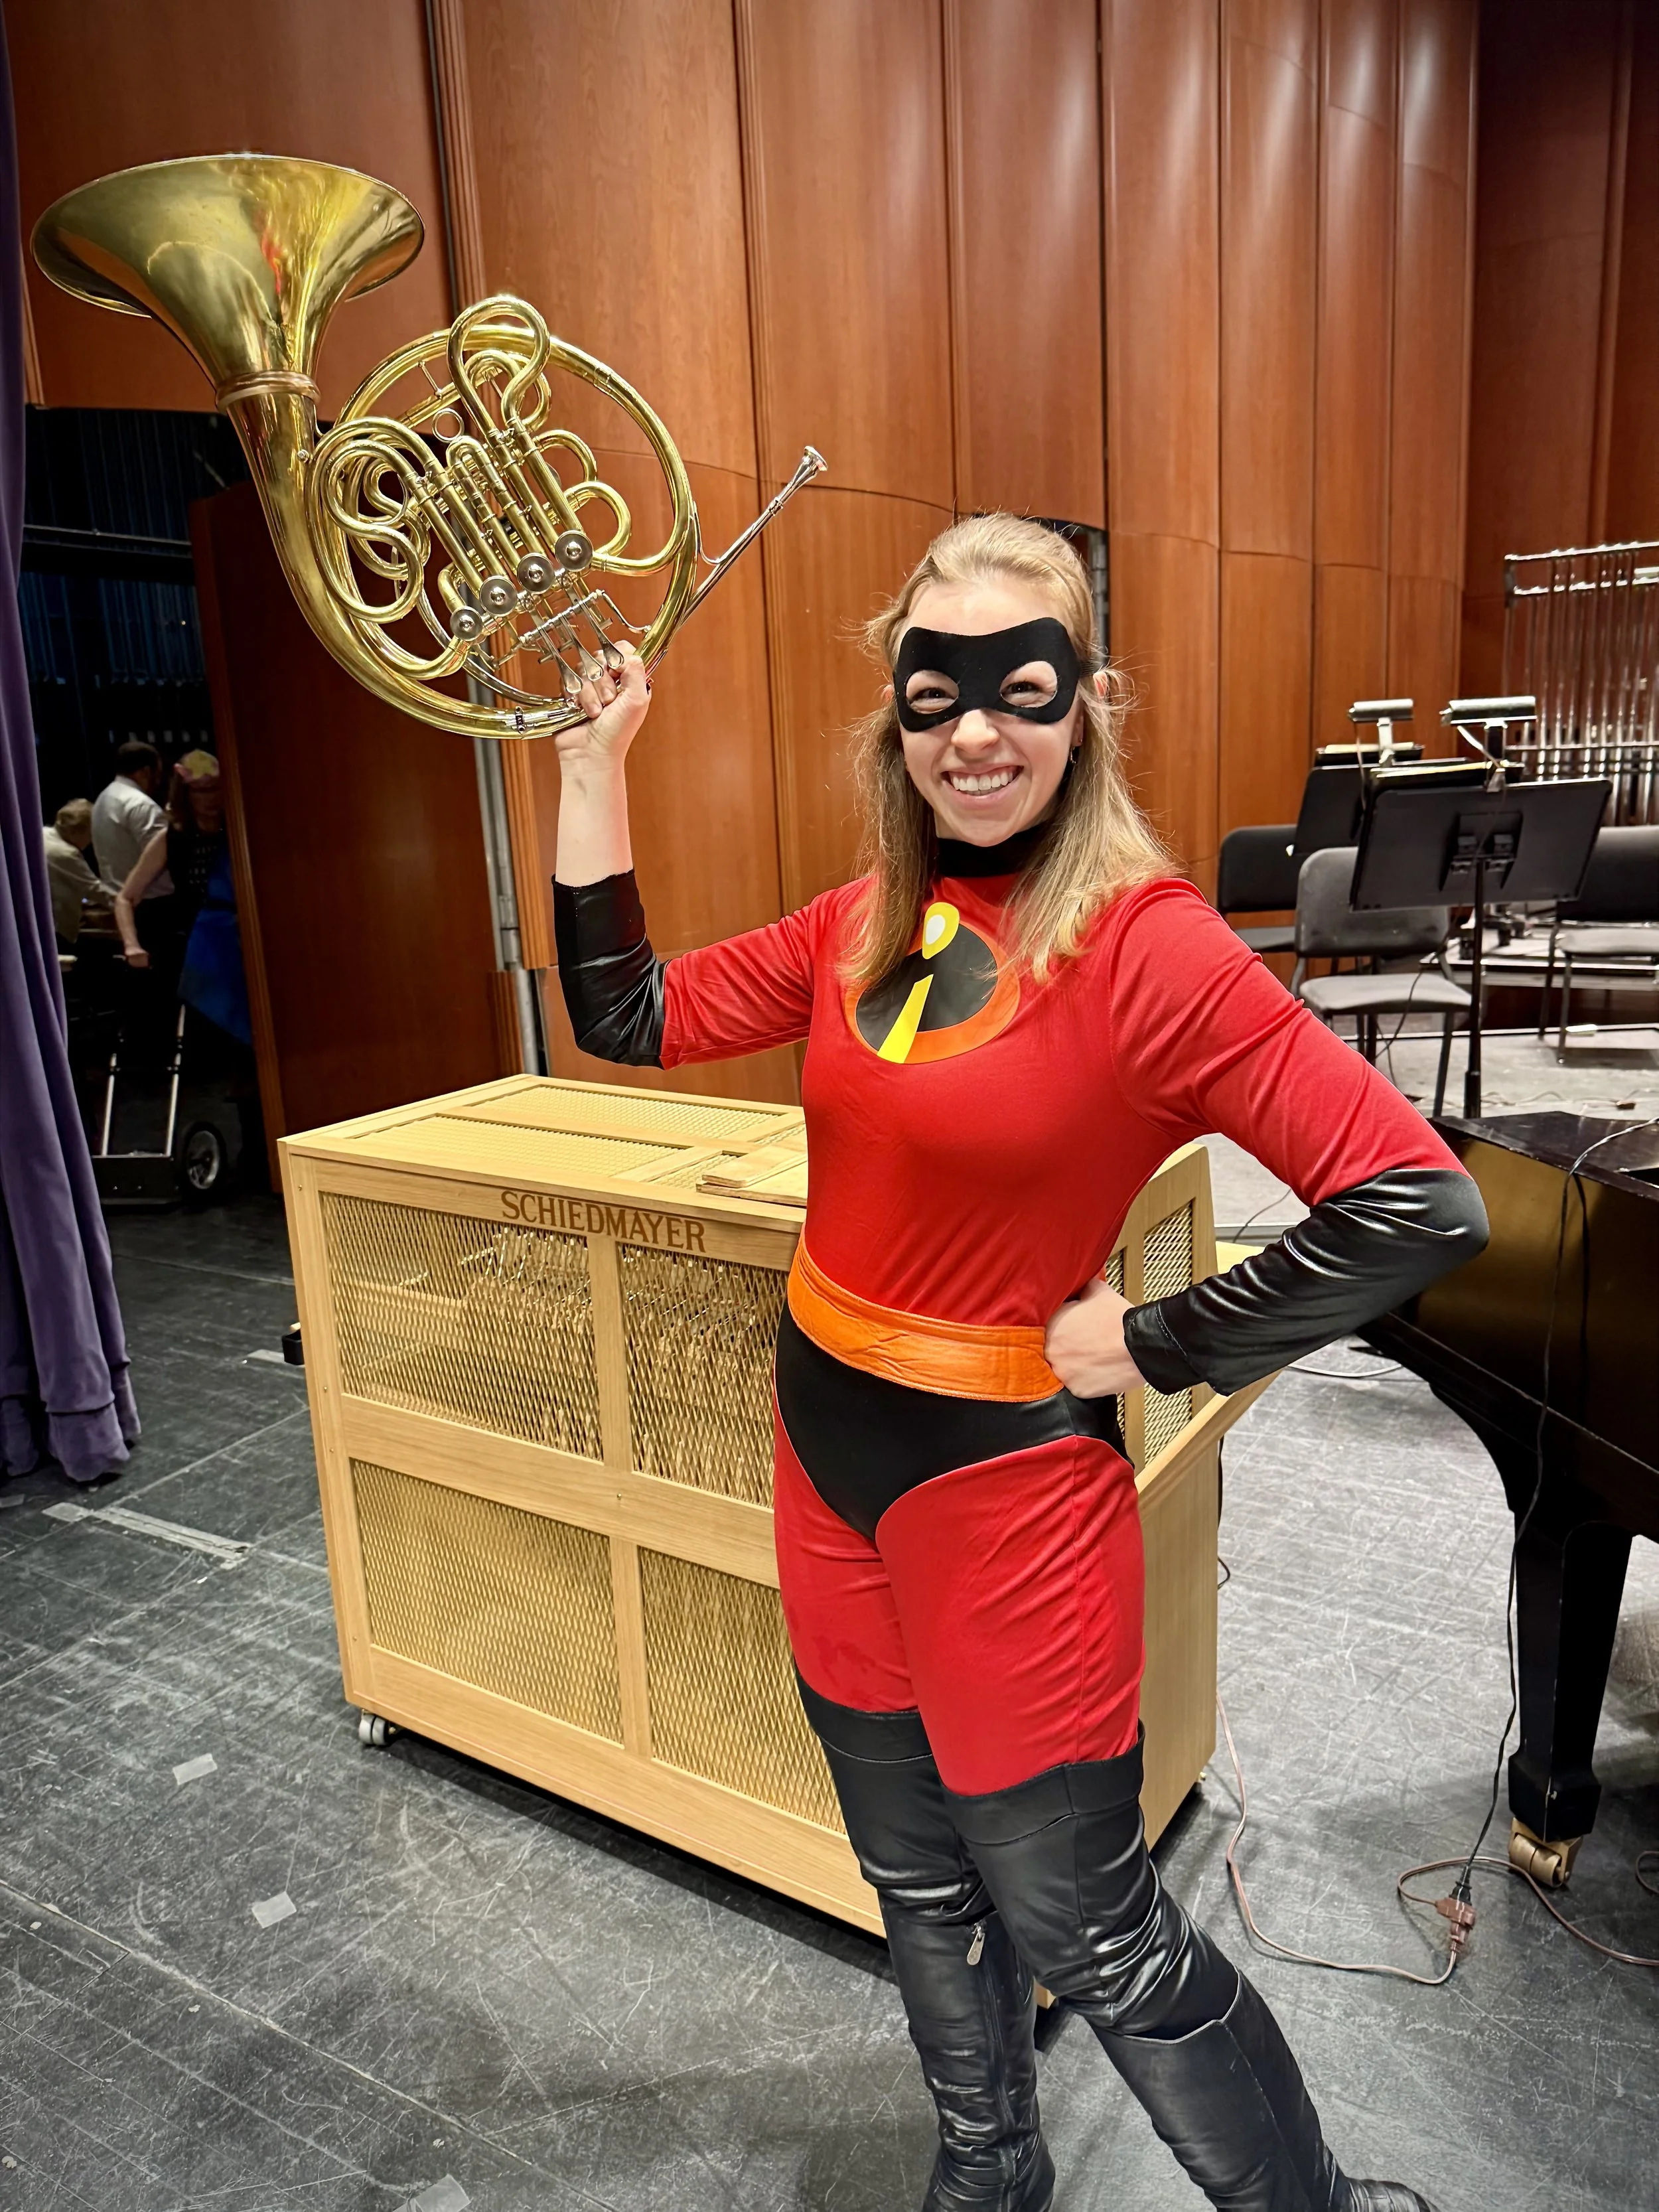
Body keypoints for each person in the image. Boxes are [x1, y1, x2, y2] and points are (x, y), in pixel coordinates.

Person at [553, 516, 1484, 2212]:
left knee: (1090, 1929)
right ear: (893, 725)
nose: (974, 732)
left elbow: (1418, 1204)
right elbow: (626, 1015)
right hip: (828, 1458)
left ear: (1090, 707)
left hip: (1007, 1495)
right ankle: (989, 2170)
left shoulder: (1149, 947)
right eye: (934, 697)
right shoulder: (869, 928)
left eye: (1020, 690)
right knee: (912, 1882)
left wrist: (1151, 1338)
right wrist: (591, 767)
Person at [113, 750, 252, 1049]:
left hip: (250, 934)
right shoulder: (173, 838)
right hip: (203, 939)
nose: (210, 799)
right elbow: (125, 897)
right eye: (201, 792)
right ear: (186, 794)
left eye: (215, 789)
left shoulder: (242, 830)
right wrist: (132, 945)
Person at [91, 739, 172, 903]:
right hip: (152, 901)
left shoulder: (103, 798)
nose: (158, 782)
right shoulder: (141, 805)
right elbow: (163, 858)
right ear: (147, 772)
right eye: (158, 774)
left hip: (117, 898)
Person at [42, 797, 114, 950]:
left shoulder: (42, 834)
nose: (91, 841)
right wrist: (126, 903)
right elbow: (95, 889)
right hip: (55, 927)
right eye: (91, 834)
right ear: (78, 831)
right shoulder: (65, 853)